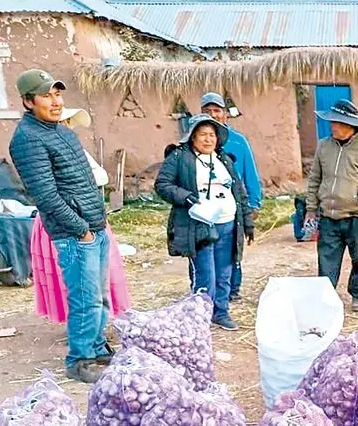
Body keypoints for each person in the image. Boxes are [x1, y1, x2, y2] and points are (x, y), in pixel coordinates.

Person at [9, 69, 112, 383]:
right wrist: (80, 228)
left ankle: (97, 348)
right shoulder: (27, 139)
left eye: (57, 94)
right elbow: (46, 195)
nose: (55, 102)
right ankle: (80, 360)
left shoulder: (61, 130)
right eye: (46, 95)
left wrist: (97, 223)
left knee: (100, 296)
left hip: (94, 224)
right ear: (29, 101)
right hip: (75, 232)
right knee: (84, 298)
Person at [30, 107, 132, 327]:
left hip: (87, 216)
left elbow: (101, 176)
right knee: (73, 278)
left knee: (96, 277)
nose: (64, 128)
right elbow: (45, 191)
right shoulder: (40, 150)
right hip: (60, 221)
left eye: (67, 124)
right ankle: (81, 328)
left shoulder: (75, 150)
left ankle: (96, 328)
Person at [155, 114, 254, 331]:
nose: (208, 140)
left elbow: (239, 191)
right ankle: (200, 316)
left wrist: (247, 222)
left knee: (225, 271)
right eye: (203, 135)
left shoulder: (224, 159)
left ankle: (221, 311)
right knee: (205, 273)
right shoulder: (180, 157)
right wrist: (185, 196)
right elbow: (162, 184)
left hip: (228, 223)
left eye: (212, 135)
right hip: (200, 225)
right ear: (192, 138)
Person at [304, 99, 358, 313]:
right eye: (332, 122)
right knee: (326, 259)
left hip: (357, 216)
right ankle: (326, 297)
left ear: (350, 126)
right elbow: (314, 179)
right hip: (329, 215)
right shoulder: (324, 146)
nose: (332, 126)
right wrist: (311, 209)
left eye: (337, 123)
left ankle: (357, 294)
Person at [200, 92, 262, 302]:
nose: (212, 115)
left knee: (233, 248)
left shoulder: (237, 141)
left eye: (217, 111)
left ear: (225, 114)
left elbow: (250, 173)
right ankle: (207, 292)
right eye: (207, 111)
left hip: (234, 205)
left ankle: (232, 290)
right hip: (204, 208)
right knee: (205, 251)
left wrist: (254, 203)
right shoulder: (195, 143)